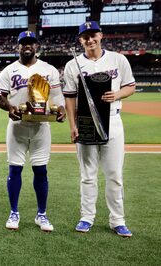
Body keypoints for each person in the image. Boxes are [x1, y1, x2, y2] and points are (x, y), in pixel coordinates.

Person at [63, 21, 135, 237]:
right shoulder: (72, 65)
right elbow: (69, 98)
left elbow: (130, 86)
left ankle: (117, 220)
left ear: (101, 35)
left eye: (93, 35)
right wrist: (73, 125)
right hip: (85, 123)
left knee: (114, 174)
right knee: (87, 175)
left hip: (112, 120)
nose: (90, 39)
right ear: (80, 40)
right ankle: (87, 217)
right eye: (85, 36)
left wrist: (117, 94)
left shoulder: (118, 59)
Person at [0, 30, 66, 232]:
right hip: (17, 127)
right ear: (18, 46)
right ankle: (14, 212)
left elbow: (57, 96)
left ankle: (41, 214)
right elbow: (0, 97)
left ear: (36, 45)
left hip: (41, 126)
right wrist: (9, 107)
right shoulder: (8, 71)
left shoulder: (49, 69)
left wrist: (61, 110)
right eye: (23, 43)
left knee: (41, 170)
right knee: (15, 169)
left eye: (31, 43)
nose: (27, 46)